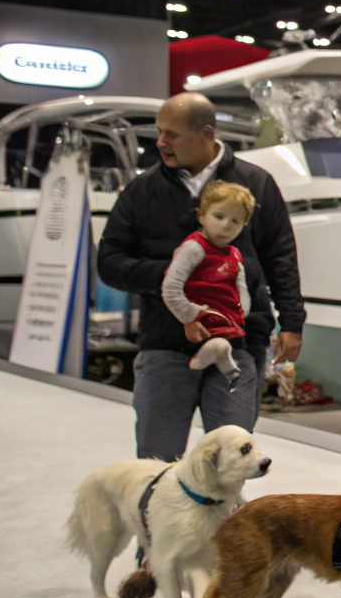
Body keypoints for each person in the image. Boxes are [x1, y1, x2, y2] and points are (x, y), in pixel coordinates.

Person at [97, 93, 304, 461]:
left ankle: (225, 522)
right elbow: (109, 262)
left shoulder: (256, 183)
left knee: (230, 465)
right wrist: (176, 274)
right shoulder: (142, 190)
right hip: (165, 344)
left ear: (206, 134)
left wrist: (291, 322)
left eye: (171, 134)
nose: (160, 142)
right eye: (159, 132)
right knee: (156, 463)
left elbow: (281, 257)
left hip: (240, 345)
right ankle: (154, 521)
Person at [161, 180, 254, 388]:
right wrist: (191, 316)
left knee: (223, 346)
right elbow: (171, 287)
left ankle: (229, 370)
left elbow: (241, 287)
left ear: (244, 225)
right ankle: (209, 363)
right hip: (200, 321)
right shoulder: (194, 248)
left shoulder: (235, 254)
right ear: (201, 216)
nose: (225, 225)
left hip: (227, 321)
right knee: (218, 346)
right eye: (219, 216)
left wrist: (240, 313)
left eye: (235, 221)